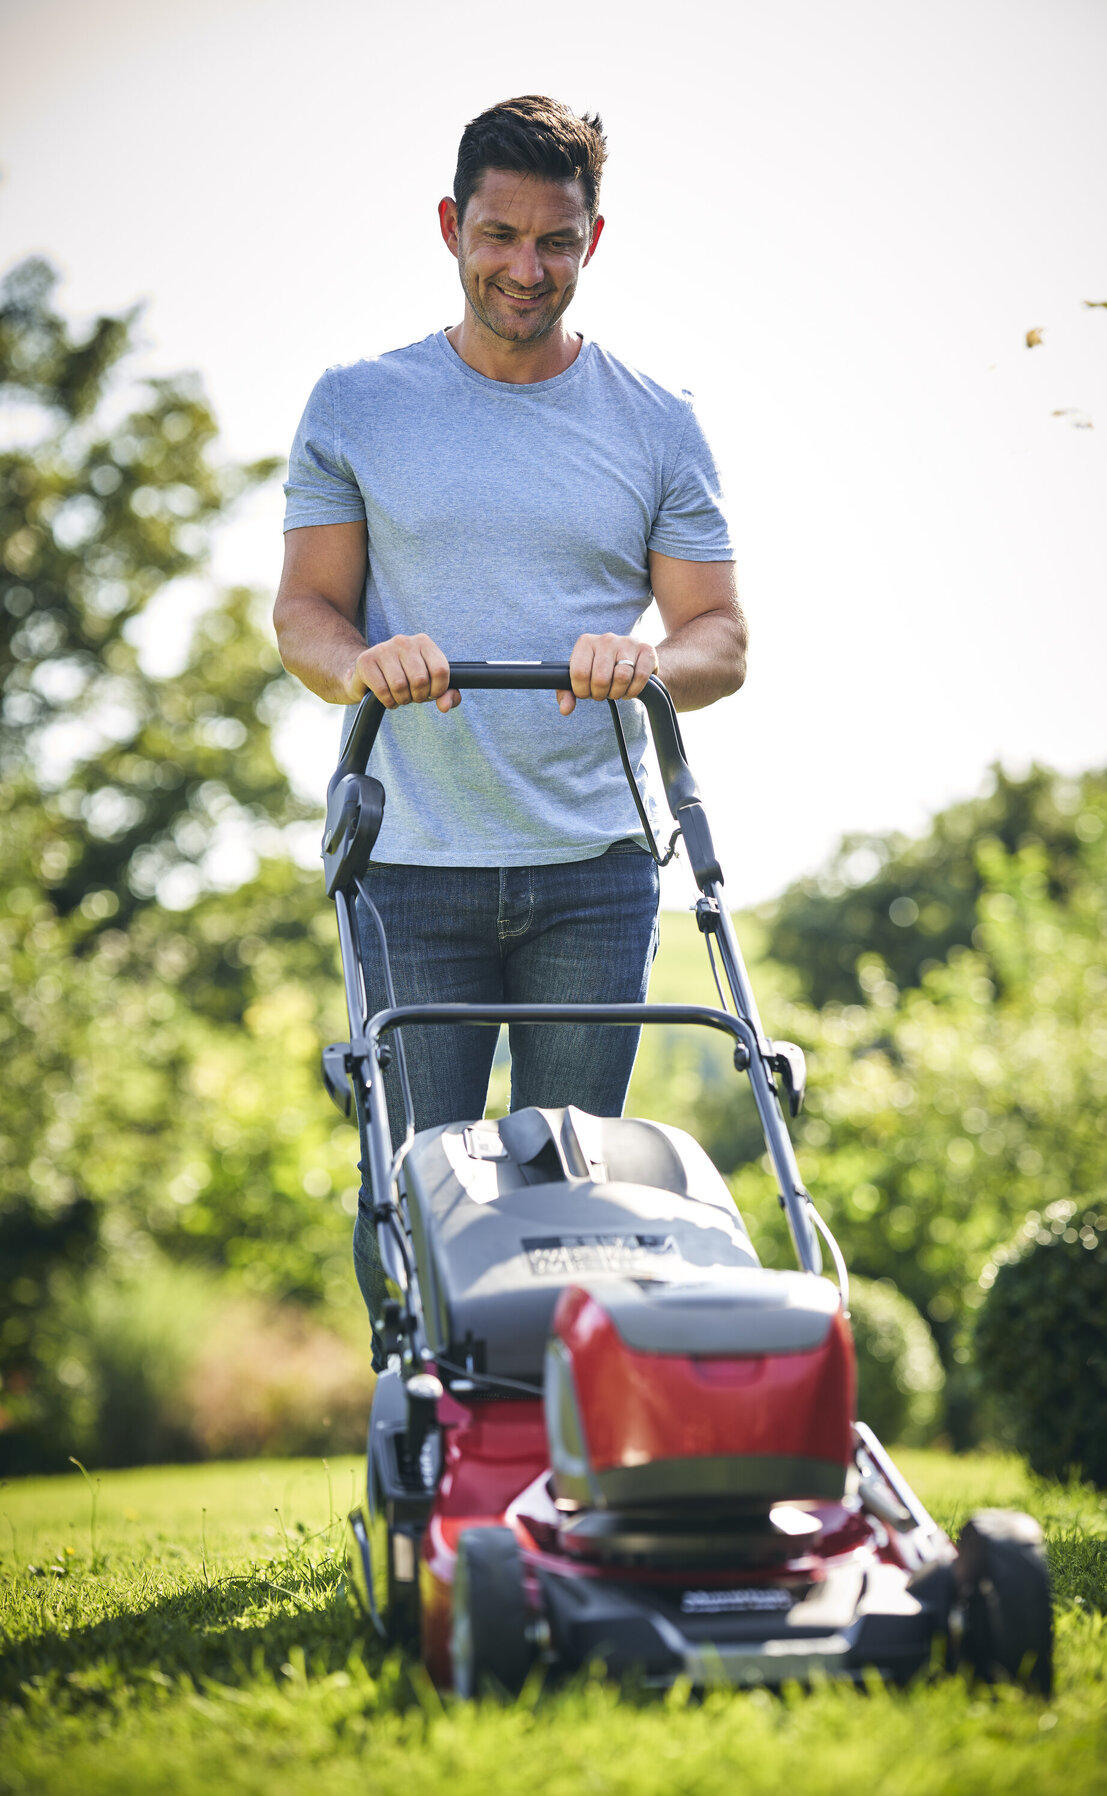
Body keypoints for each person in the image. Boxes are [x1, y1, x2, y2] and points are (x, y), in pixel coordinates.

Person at [273, 95, 746, 1356]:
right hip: (410, 865)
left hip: (594, 871)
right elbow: (306, 616)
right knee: (417, 1191)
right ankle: (432, 1423)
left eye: (557, 242)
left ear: (594, 241)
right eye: (500, 236)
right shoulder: (359, 404)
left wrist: (646, 662)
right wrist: (365, 663)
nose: (526, 269)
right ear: (451, 226)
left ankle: (558, 1439)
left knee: (577, 1193)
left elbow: (719, 641)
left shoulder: (656, 421)